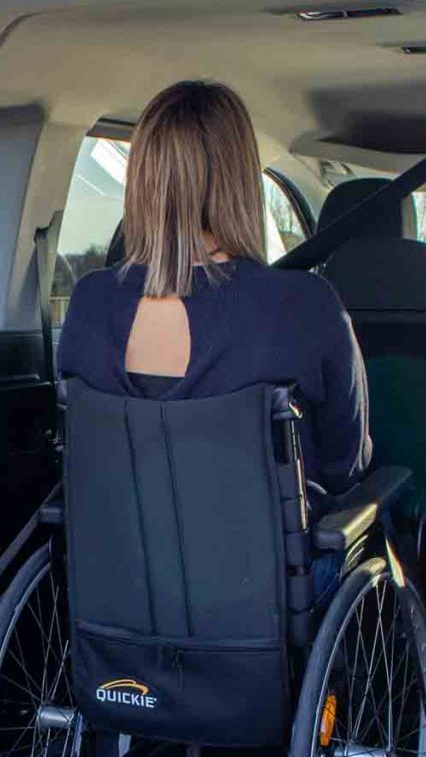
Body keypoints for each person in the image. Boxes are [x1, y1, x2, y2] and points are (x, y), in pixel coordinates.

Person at [56, 80, 370, 498]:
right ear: (241, 183)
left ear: (143, 182)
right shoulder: (306, 305)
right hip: (268, 543)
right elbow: (344, 468)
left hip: (113, 542)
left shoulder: (90, 303)